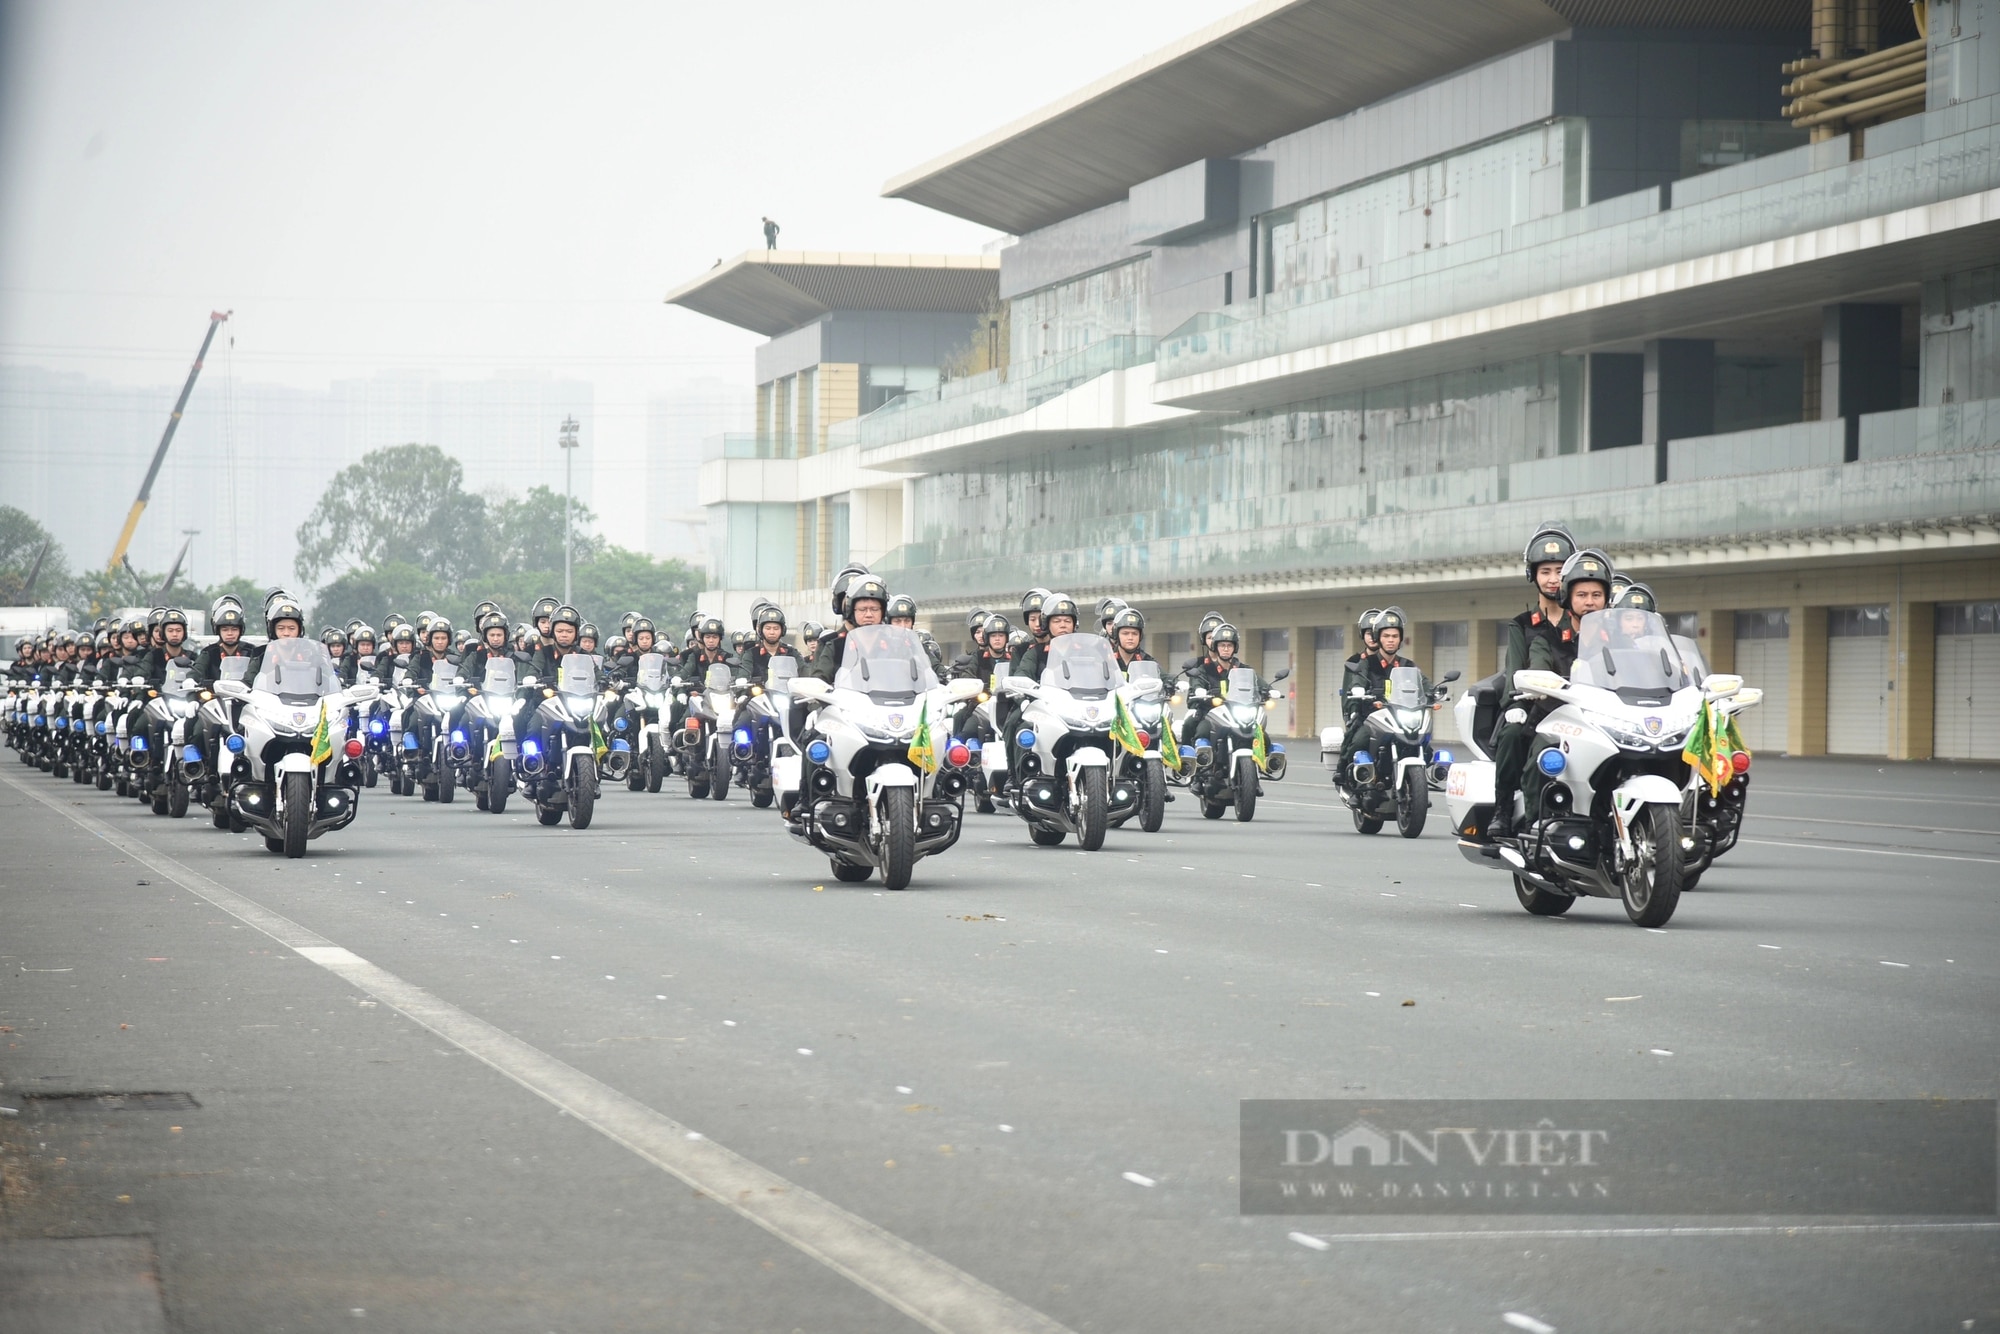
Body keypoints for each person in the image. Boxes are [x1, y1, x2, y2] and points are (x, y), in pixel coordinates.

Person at [1488, 548, 1615, 837]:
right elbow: (1524, 668)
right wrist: (1515, 701)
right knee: (1522, 742)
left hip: (1602, 714)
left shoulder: (1617, 639)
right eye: (1545, 571)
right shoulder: (1538, 633)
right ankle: (1512, 814)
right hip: (1545, 707)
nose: (1589, 602)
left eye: (1596, 595)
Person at [1335, 607, 1416, 783]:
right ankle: (1347, 773)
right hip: (1369, 714)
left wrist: (1433, 692)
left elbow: (1419, 682)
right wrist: (1352, 711)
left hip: (1396, 715)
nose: (1372, 637)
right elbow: (1353, 686)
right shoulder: (1360, 663)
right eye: (1386, 636)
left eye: (1394, 636)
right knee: (1357, 741)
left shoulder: (1404, 664)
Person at [1183, 624, 1274, 752]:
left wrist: (1270, 690)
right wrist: (1199, 690)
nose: (1226, 649)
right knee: (1202, 732)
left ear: (1235, 648)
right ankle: (1198, 763)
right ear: (1216, 647)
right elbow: (1197, 681)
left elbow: (1258, 681)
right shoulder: (1204, 669)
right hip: (1212, 714)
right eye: (1222, 645)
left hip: (1237, 714)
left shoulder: (1242, 668)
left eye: (1229, 645)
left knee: (1264, 737)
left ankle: (1268, 763)